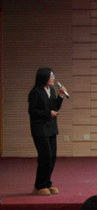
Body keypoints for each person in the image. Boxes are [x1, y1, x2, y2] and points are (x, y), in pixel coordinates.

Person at [28, 67, 67, 196]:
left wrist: (60, 95)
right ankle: (39, 185)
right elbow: (32, 111)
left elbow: (55, 107)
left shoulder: (51, 90)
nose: (53, 78)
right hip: (40, 129)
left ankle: (47, 183)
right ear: (44, 77)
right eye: (51, 76)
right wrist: (47, 113)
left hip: (51, 128)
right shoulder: (35, 92)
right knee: (45, 157)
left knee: (52, 157)